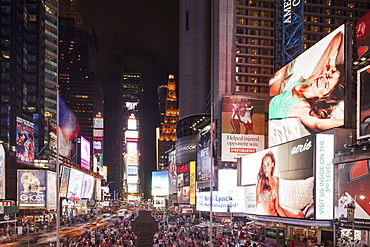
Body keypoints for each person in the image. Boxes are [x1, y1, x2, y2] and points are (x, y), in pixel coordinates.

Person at [269, 31, 344, 133]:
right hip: (274, 95)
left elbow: (317, 124)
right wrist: (331, 62)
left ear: (324, 96)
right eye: (328, 76)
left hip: (266, 109)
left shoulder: (302, 106)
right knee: (281, 67)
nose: (323, 79)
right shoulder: (311, 81)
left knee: (280, 68)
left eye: (326, 85)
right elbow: (338, 37)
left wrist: (349, 121)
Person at [256, 151, 308, 218]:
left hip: (278, 210)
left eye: (268, 164)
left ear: (272, 164)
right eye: (264, 165)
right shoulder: (261, 181)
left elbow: (277, 206)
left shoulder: (276, 180)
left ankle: (306, 209)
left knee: (299, 214)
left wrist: (285, 220)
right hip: (271, 217)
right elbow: (255, 203)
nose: (266, 168)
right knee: (298, 216)